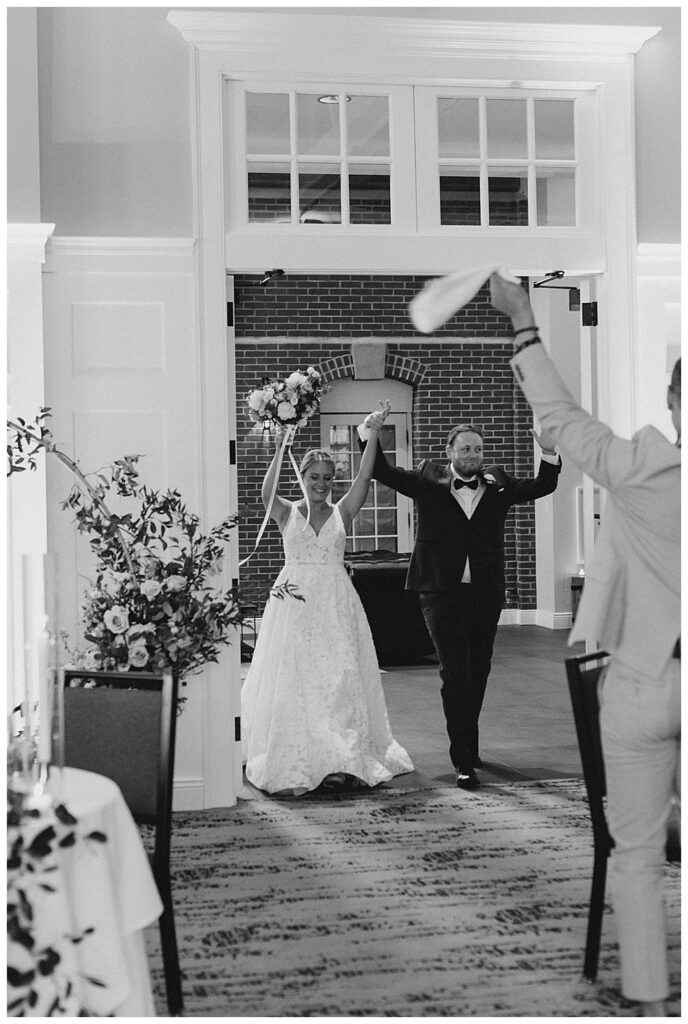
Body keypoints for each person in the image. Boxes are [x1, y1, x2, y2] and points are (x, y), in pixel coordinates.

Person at [489, 272, 680, 1017]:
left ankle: (645, 996)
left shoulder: (644, 465)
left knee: (634, 856)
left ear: (670, 404)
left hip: (638, 682)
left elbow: (559, 419)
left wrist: (524, 322)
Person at [358, 403, 561, 790]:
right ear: (450, 452)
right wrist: (371, 431)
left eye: (478, 449)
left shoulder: (498, 483)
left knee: (478, 669)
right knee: (455, 671)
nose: (472, 456)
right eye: (465, 449)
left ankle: (469, 741)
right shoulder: (426, 477)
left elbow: (542, 487)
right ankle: (463, 759)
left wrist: (548, 453)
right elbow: (381, 471)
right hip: (439, 591)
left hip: (485, 593)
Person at [241, 412, 414, 796]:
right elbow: (265, 492)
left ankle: (341, 759)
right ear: (302, 478)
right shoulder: (286, 512)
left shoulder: (343, 512)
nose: (321, 485)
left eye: (327, 478)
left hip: (336, 605)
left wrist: (373, 434)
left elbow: (365, 477)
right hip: (294, 605)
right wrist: (283, 439)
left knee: (338, 679)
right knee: (296, 679)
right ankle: (300, 754)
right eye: (314, 477)